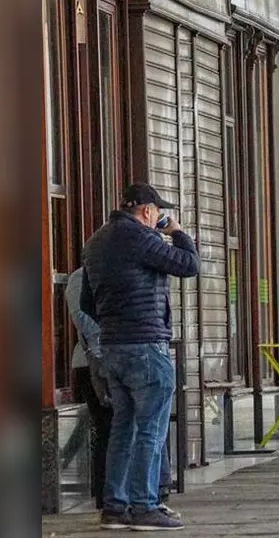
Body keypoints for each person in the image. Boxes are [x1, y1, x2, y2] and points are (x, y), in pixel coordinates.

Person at [82, 183, 199, 531]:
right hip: (146, 345)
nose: (159, 217)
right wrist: (176, 232)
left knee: (123, 427)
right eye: (158, 211)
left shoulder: (96, 242)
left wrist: (115, 322)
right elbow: (189, 264)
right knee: (151, 429)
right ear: (148, 211)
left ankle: (115, 507)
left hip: (112, 347)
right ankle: (145, 505)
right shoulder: (142, 238)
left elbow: (87, 302)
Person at [62, 267, 176, 517]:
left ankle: (142, 496)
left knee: (138, 428)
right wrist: (110, 338)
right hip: (95, 361)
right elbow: (82, 316)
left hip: (123, 354)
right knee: (111, 431)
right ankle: (112, 500)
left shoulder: (126, 272)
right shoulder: (81, 277)